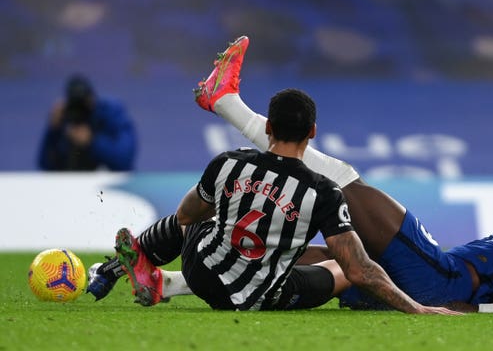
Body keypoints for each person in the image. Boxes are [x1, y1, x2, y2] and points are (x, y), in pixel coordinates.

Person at [89, 36, 493, 314]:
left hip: (441, 280)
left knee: (351, 188)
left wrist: (476, 313)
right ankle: (164, 283)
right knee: (284, 250)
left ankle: (224, 103)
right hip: (429, 281)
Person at [98, 69, 458, 314]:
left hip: (202, 272)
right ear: (313, 132)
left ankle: (133, 265)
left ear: (267, 126)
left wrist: (223, 204)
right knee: (343, 267)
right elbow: (360, 269)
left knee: (199, 218)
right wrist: (417, 307)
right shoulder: (324, 192)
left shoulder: (228, 163)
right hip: (261, 297)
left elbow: (185, 216)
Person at [37, 74, 137, 171]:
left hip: (107, 185)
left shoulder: (110, 112)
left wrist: (92, 141)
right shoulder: (65, 118)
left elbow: (124, 162)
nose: (79, 110)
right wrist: (53, 131)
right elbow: (45, 165)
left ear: (92, 98)